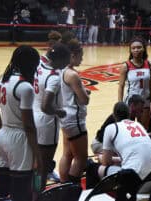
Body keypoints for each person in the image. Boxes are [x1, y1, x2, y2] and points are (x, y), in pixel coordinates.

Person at [0, 45, 41, 201]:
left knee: (2, 186)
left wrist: (2, 128)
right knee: (21, 189)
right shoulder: (25, 87)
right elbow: (28, 126)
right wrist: (37, 154)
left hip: (3, 136)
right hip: (20, 139)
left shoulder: (2, 79)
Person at [89, 102, 151, 185]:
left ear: (114, 116)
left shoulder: (111, 127)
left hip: (135, 179)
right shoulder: (138, 125)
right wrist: (116, 159)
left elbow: (106, 162)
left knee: (93, 168)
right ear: (129, 114)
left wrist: (101, 158)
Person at [33, 43, 71, 189]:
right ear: (58, 59)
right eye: (65, 61)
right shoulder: (54, 77)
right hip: (47, 123)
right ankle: (38, 193)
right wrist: (59, 112)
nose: (66, 64)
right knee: (43, 167)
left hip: (33, 117)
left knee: (37, 164)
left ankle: (34, 191)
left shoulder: (40, 65)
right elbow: (46, 106)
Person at [59, 39, 90, 184]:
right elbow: (84, 100)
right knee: (81, 158)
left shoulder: (59, 69)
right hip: (74, 119)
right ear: (72, 55)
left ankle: (63, 185)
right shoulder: (72, 74)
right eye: (80, 55)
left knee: (67, 154)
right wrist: (86, 93)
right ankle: (71, 190)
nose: (82, 58)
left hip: (64, 117)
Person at [118, 36, 151, 129]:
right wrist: (120, 103)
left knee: (143, 130)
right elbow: (121, 86)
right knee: (128, 130)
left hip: (145, 102)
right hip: (130, 103)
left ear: (144, 49)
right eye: (133, 48)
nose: (136, 50)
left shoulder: (150, 65)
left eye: (139, 47)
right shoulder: (126, 66)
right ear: (130, 50)